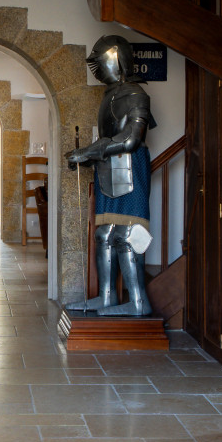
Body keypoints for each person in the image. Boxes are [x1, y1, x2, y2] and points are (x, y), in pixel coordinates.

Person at [65, 35, 154, 317]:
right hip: (109, 170)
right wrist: (87, 156)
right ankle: (106, 296)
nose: (98, 69)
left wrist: (88, 152)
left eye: (101, 61)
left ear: (116, 59)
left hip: (130, 167)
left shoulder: (136, 94)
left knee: (127, 236)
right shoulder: (111, 96)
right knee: (104, 235)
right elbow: (111, 139)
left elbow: (130, 139)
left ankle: (139, 302)